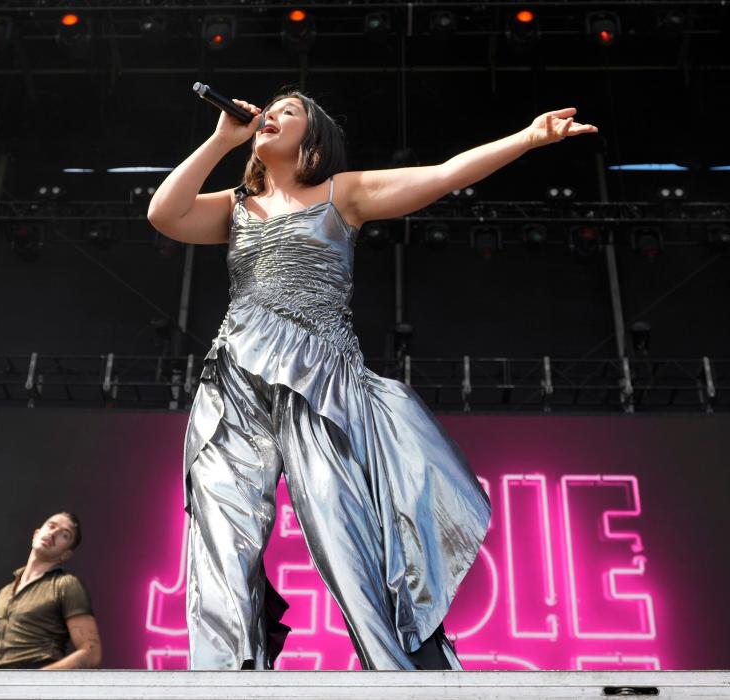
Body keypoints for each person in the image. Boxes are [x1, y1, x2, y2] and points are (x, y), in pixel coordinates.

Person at [147, 90, 597, 670]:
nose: (272, 117)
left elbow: (445, 174)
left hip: (318, 379)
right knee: (218, 525)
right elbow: (164, 214)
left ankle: (392, 669)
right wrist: (221, 139)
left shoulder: (344, 192)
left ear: (314, 137)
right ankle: (223, 674)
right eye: (270, 110)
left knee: (341, 527)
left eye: (289, 112)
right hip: (232, 375)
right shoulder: (235, 204)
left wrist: (529, 138)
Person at [0, 512, 102, 669]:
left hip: (36, 683)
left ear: (66, 554)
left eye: (64, 535)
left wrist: (37, 681)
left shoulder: (66, 585)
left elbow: (91, 653)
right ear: (36, 534)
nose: (54, 533)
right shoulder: (3, 593)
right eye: (51, 526)